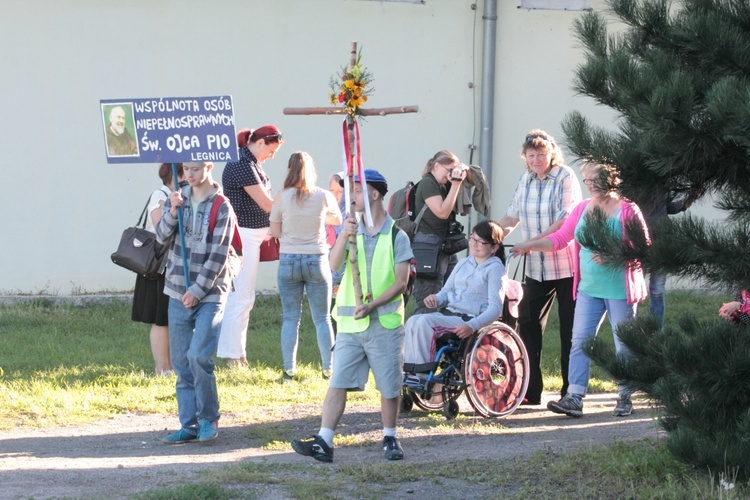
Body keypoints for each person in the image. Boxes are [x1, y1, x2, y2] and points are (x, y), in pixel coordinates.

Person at [510, 161, 649, 418]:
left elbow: (644, 247)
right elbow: (561, 238)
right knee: (579, 342)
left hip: (620, 290)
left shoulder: (628, 210)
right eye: (587, 180)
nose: (592, 184)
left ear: (613, 180)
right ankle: (574, 396)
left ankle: (625, 394)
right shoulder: (582, 209)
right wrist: (529, 244)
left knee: (623, 344)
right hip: (588, 289)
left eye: (597, 179)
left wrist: (614, 255)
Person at [291, 169, 412, 463]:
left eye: (356, 191)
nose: (350, 196)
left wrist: (372, 305)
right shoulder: (350, 228)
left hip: (383, 322)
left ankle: (390, 437)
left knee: (389, 385)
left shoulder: (397, 234)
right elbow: (332, 266)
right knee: (338, 382)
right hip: (350, 324)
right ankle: (324, 440)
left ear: (374, 194)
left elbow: (401, 282)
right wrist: (345, 235)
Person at [156, 161, 239, 444]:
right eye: (185, 171)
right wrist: (171, 211)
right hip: (177, 289)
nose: (188, 175)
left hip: (210, 292)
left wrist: (198, 289)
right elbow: (160, 238)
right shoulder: (179, 199)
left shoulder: (222, 206)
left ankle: (208, 418)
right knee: (181, 362)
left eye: (194, 169)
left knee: (198, 356)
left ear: (208, 166)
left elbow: (218, 254)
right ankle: (188, 424)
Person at [497, 130, 582, 406]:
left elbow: (565, 222)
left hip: (567, 265)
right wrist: (493, 235)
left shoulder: (565, 176)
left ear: (552, 154)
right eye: (531, 155)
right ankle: (530, 391)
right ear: (525, 157)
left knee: (570, 330)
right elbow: (512, 215)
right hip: (535, 266)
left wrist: (531, 242)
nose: (536, 159)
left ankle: (570, 392)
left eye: (541, 154)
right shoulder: (525, 179)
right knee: (528, 324)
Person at [270, 152, 342, 382]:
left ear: (289, 169)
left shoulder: (281, 196)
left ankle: (289, 371)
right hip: (317, 259)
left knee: (291, 317)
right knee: (323, 319)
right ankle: (328, 369)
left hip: (289, 259)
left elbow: (276, 232)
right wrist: (320, 219)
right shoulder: (323, 195)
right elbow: (337, 219)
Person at [217, 126, 284, 366]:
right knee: (241, 295)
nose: (271, 155)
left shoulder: (249, 162)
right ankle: (232, 355)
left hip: (251, 234)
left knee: (243, 296)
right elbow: (267, 204)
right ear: (260, 142)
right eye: (272, 150)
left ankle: (236, 353)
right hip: (244, 234)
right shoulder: (242, 164)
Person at [404, 220, 506, 366]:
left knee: (424, 322)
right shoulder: (463, 263)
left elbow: (495, 309)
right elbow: (446, 292)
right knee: (412, 321)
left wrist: (472, 325)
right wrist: (436, 299)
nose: (474, 244)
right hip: (449, 314)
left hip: (468, 319)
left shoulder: (495, 269)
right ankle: (410, 370)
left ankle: (423, 372)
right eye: (472, 238)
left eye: (480, 242)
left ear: (494, 247)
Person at [131, 163, 184, 375]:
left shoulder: (173, 196)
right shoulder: (160, 195)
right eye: (185, 172)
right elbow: (161, 228)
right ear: (175, 176)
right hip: (158, 266)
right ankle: (162, 367)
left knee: (169, 318)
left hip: (170, 264)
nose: (189, 177)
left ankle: (170, 365)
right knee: (160, 318)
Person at [411, 150, 469, 315]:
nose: (452, 174)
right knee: (428, 301)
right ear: (436, 166)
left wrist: (464, 172)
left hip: (444, 246)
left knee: (454, 294)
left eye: (454, 170)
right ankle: (419, 338)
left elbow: (472, 182)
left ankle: (443, 337)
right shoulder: (428, 184)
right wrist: (456, 184)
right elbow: (442, 212)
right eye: (449, 170)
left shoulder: (444, 184)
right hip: (428, 246)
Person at [638, 191, 700, 326]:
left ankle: (656, 330)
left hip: (661, 241)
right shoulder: (634, 180)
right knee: (634, 289)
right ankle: (628, 329)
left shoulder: (662, 183)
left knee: (657, 290)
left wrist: (690, 199)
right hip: (637, 241)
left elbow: (667, 208)